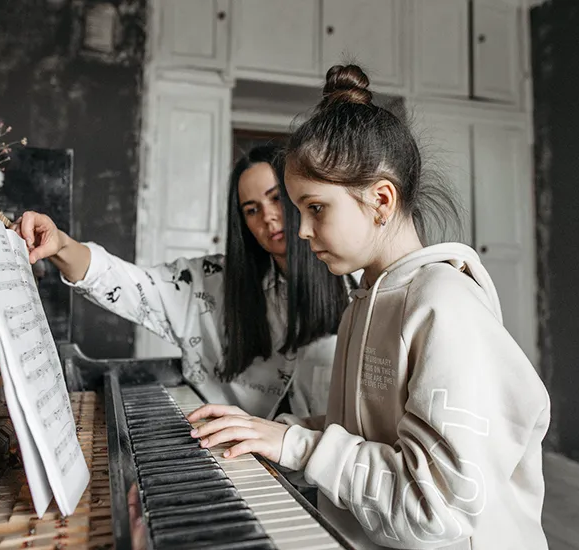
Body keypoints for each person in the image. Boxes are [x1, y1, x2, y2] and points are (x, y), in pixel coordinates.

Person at [187, 65, 550, 550]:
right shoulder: (362, 301)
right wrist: (269, 431)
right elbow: (367, 436)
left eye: (315, 208)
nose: (300, 232)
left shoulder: (446, 307)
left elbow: (434, 509)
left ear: (381, 199)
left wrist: (295, 445)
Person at [13, 145, 352, 419]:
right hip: (243, 463)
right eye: (251, 209)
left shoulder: (355, 286)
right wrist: (60, 244)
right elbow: (131, 283)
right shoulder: (211, 282)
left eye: (276, 197)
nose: (268, 216)